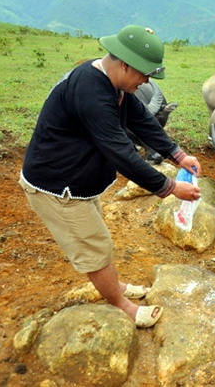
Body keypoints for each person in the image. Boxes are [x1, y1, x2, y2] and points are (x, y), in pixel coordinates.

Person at [18, 25, 202, 328]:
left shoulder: (112, 82)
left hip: (78, 183)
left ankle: (115, 286)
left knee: (98, 239)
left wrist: (177, 154)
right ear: (125, 64)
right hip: (57, 187)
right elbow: (121, 154)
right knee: (96, 246)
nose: (146, 81)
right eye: (144, 73)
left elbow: (141, 118)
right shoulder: (91, 92)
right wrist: (169, 187)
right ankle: (121, 305)